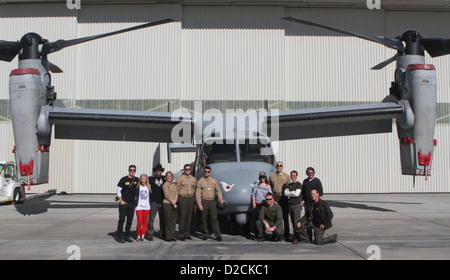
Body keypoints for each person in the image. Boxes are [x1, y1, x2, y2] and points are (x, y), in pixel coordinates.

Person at [196, 166, 223, 241]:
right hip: (204, 201)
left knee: (214, 219)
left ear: (210, 172)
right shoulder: (200, 181)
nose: (207, 173)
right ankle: (205, 234)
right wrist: (199, 204)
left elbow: (218, 190)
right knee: (204, 219)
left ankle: (218, 235)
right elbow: (198, 194)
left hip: (212, 201)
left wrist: (220, 198)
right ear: (203, 172)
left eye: (208, 171)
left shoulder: (214, 181)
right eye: (205, 171)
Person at [116, 165, 139, 243]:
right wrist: (121, 200)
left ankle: (127, 236)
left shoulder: (136, 179)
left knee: (130, 220)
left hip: (132, 203)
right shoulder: (123, 179)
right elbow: (118, 190)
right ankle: (119, 237)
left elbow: (144, 182)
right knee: (122, 220)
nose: (132, 171)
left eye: (134, 170)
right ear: (128, 170)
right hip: (124, 203)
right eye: (131, 170)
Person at [269, 161, 291, 241]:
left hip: (284, 197)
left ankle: (287, 235)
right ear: (276, 166)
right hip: (275, 197)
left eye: (280, 165)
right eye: (278, 165)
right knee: (275, 217)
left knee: (285, 217)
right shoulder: (272, 176)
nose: (279, 167)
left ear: (283, 166)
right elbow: (270, 187)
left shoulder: (287, 176)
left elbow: (290, 187)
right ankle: (275, 234)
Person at [301, 167, 324, 241]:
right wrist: (302, 201)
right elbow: (303, 193)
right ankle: (309, 237)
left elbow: (320, 192)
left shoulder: (317, 181)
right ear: (306, 173)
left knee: (316, 219)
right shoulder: (305, 181)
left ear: (314, 173)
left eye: (311, 173)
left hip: (315, 204)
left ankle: (317, 235)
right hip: (307, 204)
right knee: (308, 219)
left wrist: (319, 202)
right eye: (308, 173)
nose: (310, 174)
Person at [176, 163, 197, 241]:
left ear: (190, 170)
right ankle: (181, 234)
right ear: (184, 170)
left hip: (190, 198)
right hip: (183, 198)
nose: (187, 170)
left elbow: (194, 188)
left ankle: (187, 233)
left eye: (189, 169)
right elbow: (177, 189)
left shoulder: (193, 179)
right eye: (186, 169)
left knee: (189, 217)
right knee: (183, 216)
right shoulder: (180, 179)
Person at [249, 171, 272, 240]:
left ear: (265, 178)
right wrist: (253, 203)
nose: (262, 178)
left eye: (263, 177)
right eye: (261, 177)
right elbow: (253, 194)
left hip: (264, 204)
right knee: (256, 219)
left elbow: (270, 196)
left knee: (263, 219)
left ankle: (263, 234)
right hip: (257, 204)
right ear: (259, 178)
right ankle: (256, 234)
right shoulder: (256, 185)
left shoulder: (268, 186)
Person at [146, 164, 166, 241]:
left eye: (160, 170)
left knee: (162, 219)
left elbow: (171, 181)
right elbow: (143, 182)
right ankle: (150, 234)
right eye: (157, 170)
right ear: (155, 171)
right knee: (151, 219)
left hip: (162, 201)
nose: (159, 172)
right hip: (153, 201)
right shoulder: (150, 179)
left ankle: (162, 233)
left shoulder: (164, 178)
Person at [284, 170, 303, 244]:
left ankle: (297, 237)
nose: (293, 177)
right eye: (292, 175)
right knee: (292, 221)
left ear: (297, 176)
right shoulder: (289, 185)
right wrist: (292, 192)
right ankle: (296, 236)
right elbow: (285, 193)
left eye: (294, 175)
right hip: (290, 205)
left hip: (296, 205)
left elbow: (297, 194)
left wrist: (290, 193)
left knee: (296, 222)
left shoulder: (299, 184)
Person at [162, 171, 178, 242]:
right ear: (166, 177)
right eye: (168, 176)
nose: (169, 177)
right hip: (167, 204)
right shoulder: (165, 185)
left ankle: (172, 235)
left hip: (174, 203)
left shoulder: (173, 184)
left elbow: (177, 193)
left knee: (173, 220)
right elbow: (166, 195)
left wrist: (175, 200)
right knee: (168, 221)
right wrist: (172, 202)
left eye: (170, 176)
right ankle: (168, 236)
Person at [135, 174, 151, 242]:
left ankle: (143, 236)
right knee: (139, 222)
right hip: (139, 206)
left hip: (147, 206)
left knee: (145, 222)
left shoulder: (148, 187)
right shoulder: (138, 187)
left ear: (146, 180)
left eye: (144, 179)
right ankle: (138, 235)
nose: (143, 180)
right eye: (142, 179)